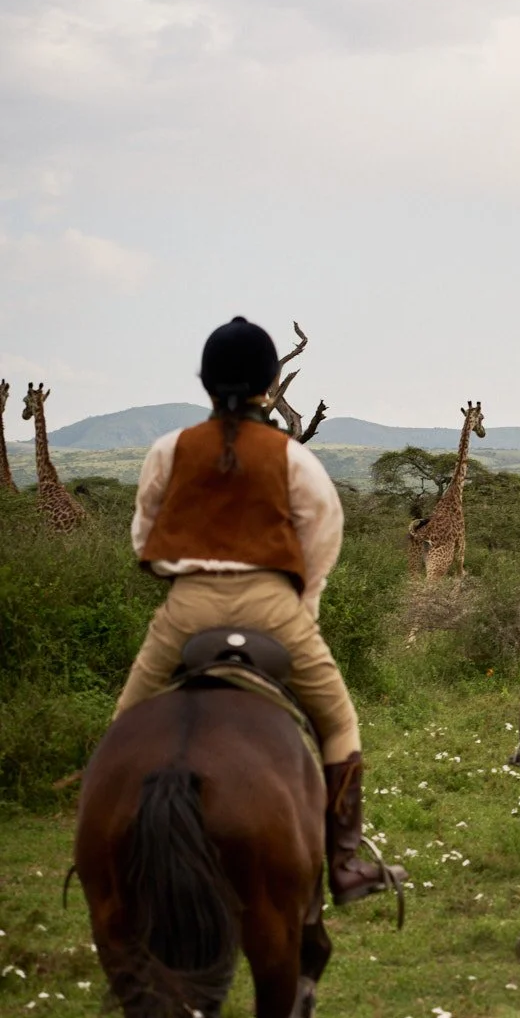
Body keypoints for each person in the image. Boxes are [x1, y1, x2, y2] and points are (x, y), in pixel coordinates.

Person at [115, 316, 404, 904]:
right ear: (271, 385)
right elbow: (322, 539)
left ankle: (112, 848)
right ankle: (345, 863)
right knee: (339, 721)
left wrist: (184, 581)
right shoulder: (293, 458)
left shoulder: (169, 450)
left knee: (125, 725)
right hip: (274, 609)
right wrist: (300, 608)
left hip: (186, 608)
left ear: (204, 383)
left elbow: (144, 538)